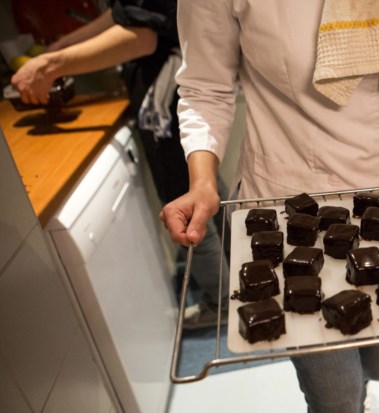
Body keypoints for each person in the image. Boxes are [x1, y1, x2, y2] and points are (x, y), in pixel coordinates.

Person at [160, 0, 379, 411]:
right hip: (292, 209)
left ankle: (364, 389)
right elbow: (206, 88)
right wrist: (203, 183)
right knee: (337, 398)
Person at [11, 0, 229, 329]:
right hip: (177, 90)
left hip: (168, 97)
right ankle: (235, 280)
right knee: (206, 190)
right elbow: (125, 12)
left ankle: (221, 303)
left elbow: (143, 36)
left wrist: (51, 64)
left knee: (187, 204)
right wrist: (61, 48)